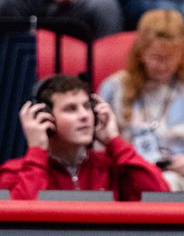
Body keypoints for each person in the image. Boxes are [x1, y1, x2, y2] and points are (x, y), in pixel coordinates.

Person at [98, 9, 184, 192]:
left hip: (180, 185)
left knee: (168, 181)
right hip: (127, 178)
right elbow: (97, 150)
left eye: (170, 58)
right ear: (140, 53)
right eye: (155, 58)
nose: (162, 65)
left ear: (183, 54)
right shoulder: (114, 87)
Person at [0, 73, 169, 200]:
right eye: (71, 109)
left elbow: (160, 198)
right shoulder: (17, 171)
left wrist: (115, 141)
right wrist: (36, 152)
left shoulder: (112, 168)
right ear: (45, 117)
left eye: (87, 106)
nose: (84, 115)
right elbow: (14, 229)